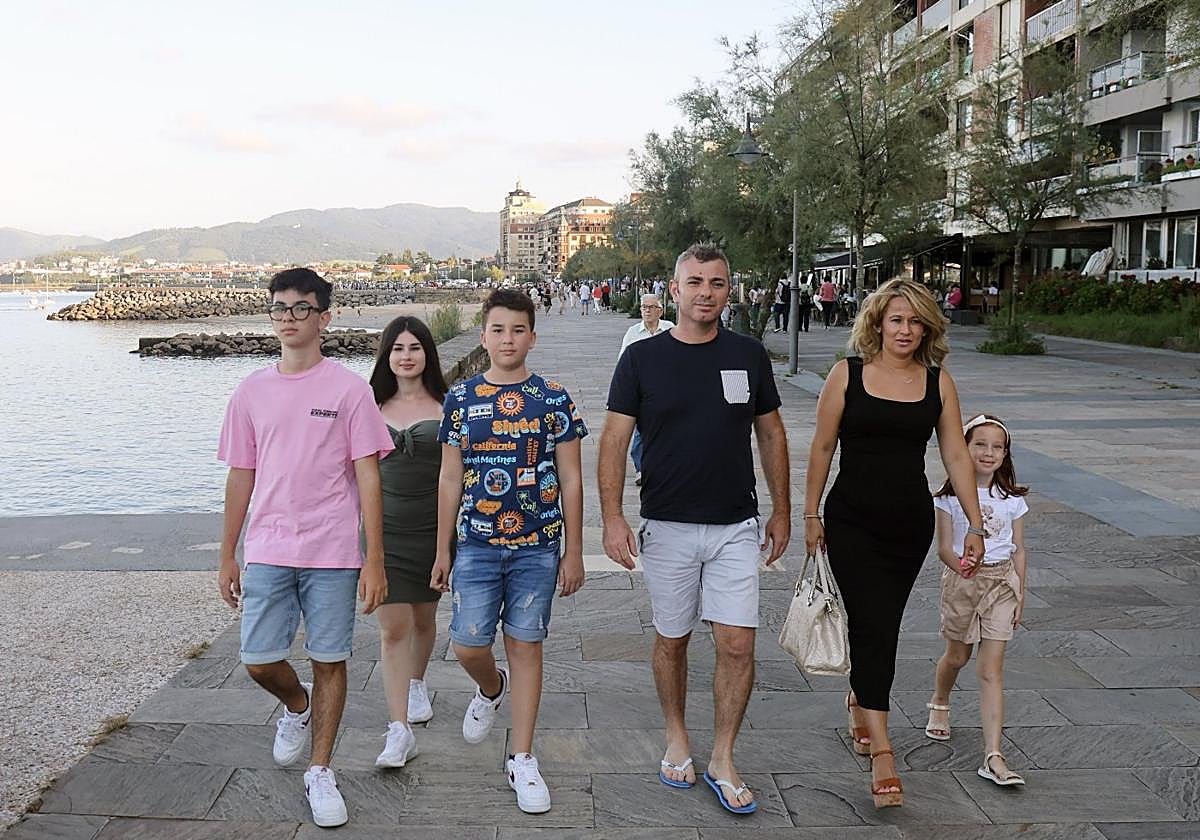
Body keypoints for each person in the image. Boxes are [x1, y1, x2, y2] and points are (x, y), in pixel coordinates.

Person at [599, 243, 791, 816]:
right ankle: (677, 735)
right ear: (674, 290)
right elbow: (613, 440)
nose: (706, 292)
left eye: (717, 283)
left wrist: (783, 509)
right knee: (673, 638)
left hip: (736, 524)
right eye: (695, 282)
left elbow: (772, 434)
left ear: (729, 290)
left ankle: (724, 757)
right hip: (667, 525)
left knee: (738, 643)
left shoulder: (748, 354)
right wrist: (612, 517)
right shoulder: (641, 359)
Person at [217, 267, 394, 829]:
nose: (288, 317)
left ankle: (320, 770)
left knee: (330, 659)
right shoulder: (251, 391)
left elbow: (368, 477)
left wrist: (374, 559)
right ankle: (297, 705)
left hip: (333, 551)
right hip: (269, 546)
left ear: (324, 318)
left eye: (300, 308)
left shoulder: (350, 390)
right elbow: (241, 474)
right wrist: (227, 553)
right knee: (258, 660)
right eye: (279, 307)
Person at [803, 278, 984, 809]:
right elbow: (822, 447)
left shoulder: (938, 382)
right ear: (878, 322)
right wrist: (811, 513)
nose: (905, 330)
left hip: (908, 525)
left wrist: (975, 524)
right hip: (851, 521)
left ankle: (861, 697)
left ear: (927, 329)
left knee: (883, 624)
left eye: (915, 322)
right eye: (897, 320)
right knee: (873, 625)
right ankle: (883, 752)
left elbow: (955, 455)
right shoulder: (847, 374)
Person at [431, 288, 587, 814]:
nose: (508, 339)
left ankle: (522, 757)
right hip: (475, 544)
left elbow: (571, 477)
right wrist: (442, 549)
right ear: (483, 336)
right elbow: (449, 478)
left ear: (532, 338)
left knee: (526, 646)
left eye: (518, 330)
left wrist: (573, 552)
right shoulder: (461, 398)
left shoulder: (553, 398)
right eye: (498, 330)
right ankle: (490, 688)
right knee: (467, 644)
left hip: (537, 548)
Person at [925, 413, 1028, 787]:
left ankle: (993, 755)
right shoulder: (949, 498)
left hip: (1002, 584)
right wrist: (963, 566)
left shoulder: (1012, 500)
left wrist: (1020, 592)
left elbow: (1019, 549)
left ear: (1005, 455)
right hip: (964, 583)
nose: (989, 452)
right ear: (963, 448)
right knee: (958, 656)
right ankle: (940, 700)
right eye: (980, 444)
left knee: (991, 668)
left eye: (997, 447)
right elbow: (943, 548)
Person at [367, 316, 448, 768]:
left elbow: (459, 475)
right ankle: (398, 730)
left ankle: (417, 681)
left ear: (427, 354)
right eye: (397, 348)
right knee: (393, 627)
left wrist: (447, 544)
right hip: (385, 532)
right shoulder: (368, 405)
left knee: (423, 617)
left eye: (414, 347)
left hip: (434, 530)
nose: (406, 356)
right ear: (387, 355)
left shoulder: (448, 405)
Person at [618, 294, 675, 486]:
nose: (647, 311)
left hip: (668, 386)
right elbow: (623, 362)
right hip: (643, 389)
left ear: (660, 311)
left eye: (651, 307)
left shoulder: (670, 329)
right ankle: (642, 468)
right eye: (644, 307)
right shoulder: (633, 333)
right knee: (641, 430)